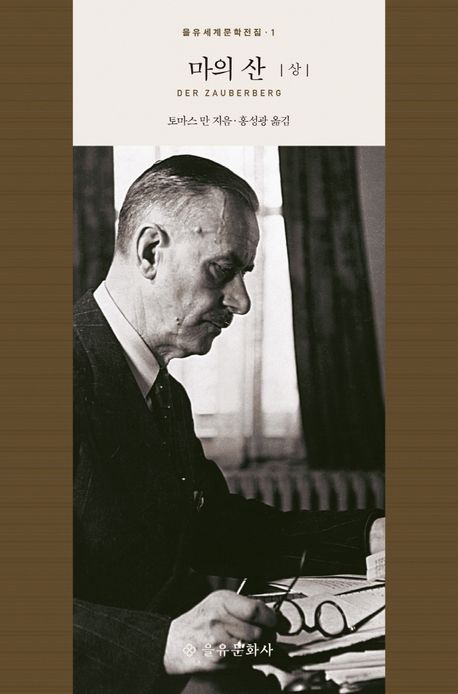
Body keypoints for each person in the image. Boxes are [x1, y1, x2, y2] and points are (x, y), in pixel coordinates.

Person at [74, 155, 384, 693]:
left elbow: (213, 529)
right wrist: (166, 642)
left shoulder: (162, 391)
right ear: (150, 251)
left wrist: (368, 534)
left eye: (245, 275)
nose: (241, 303)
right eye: (222, 270)